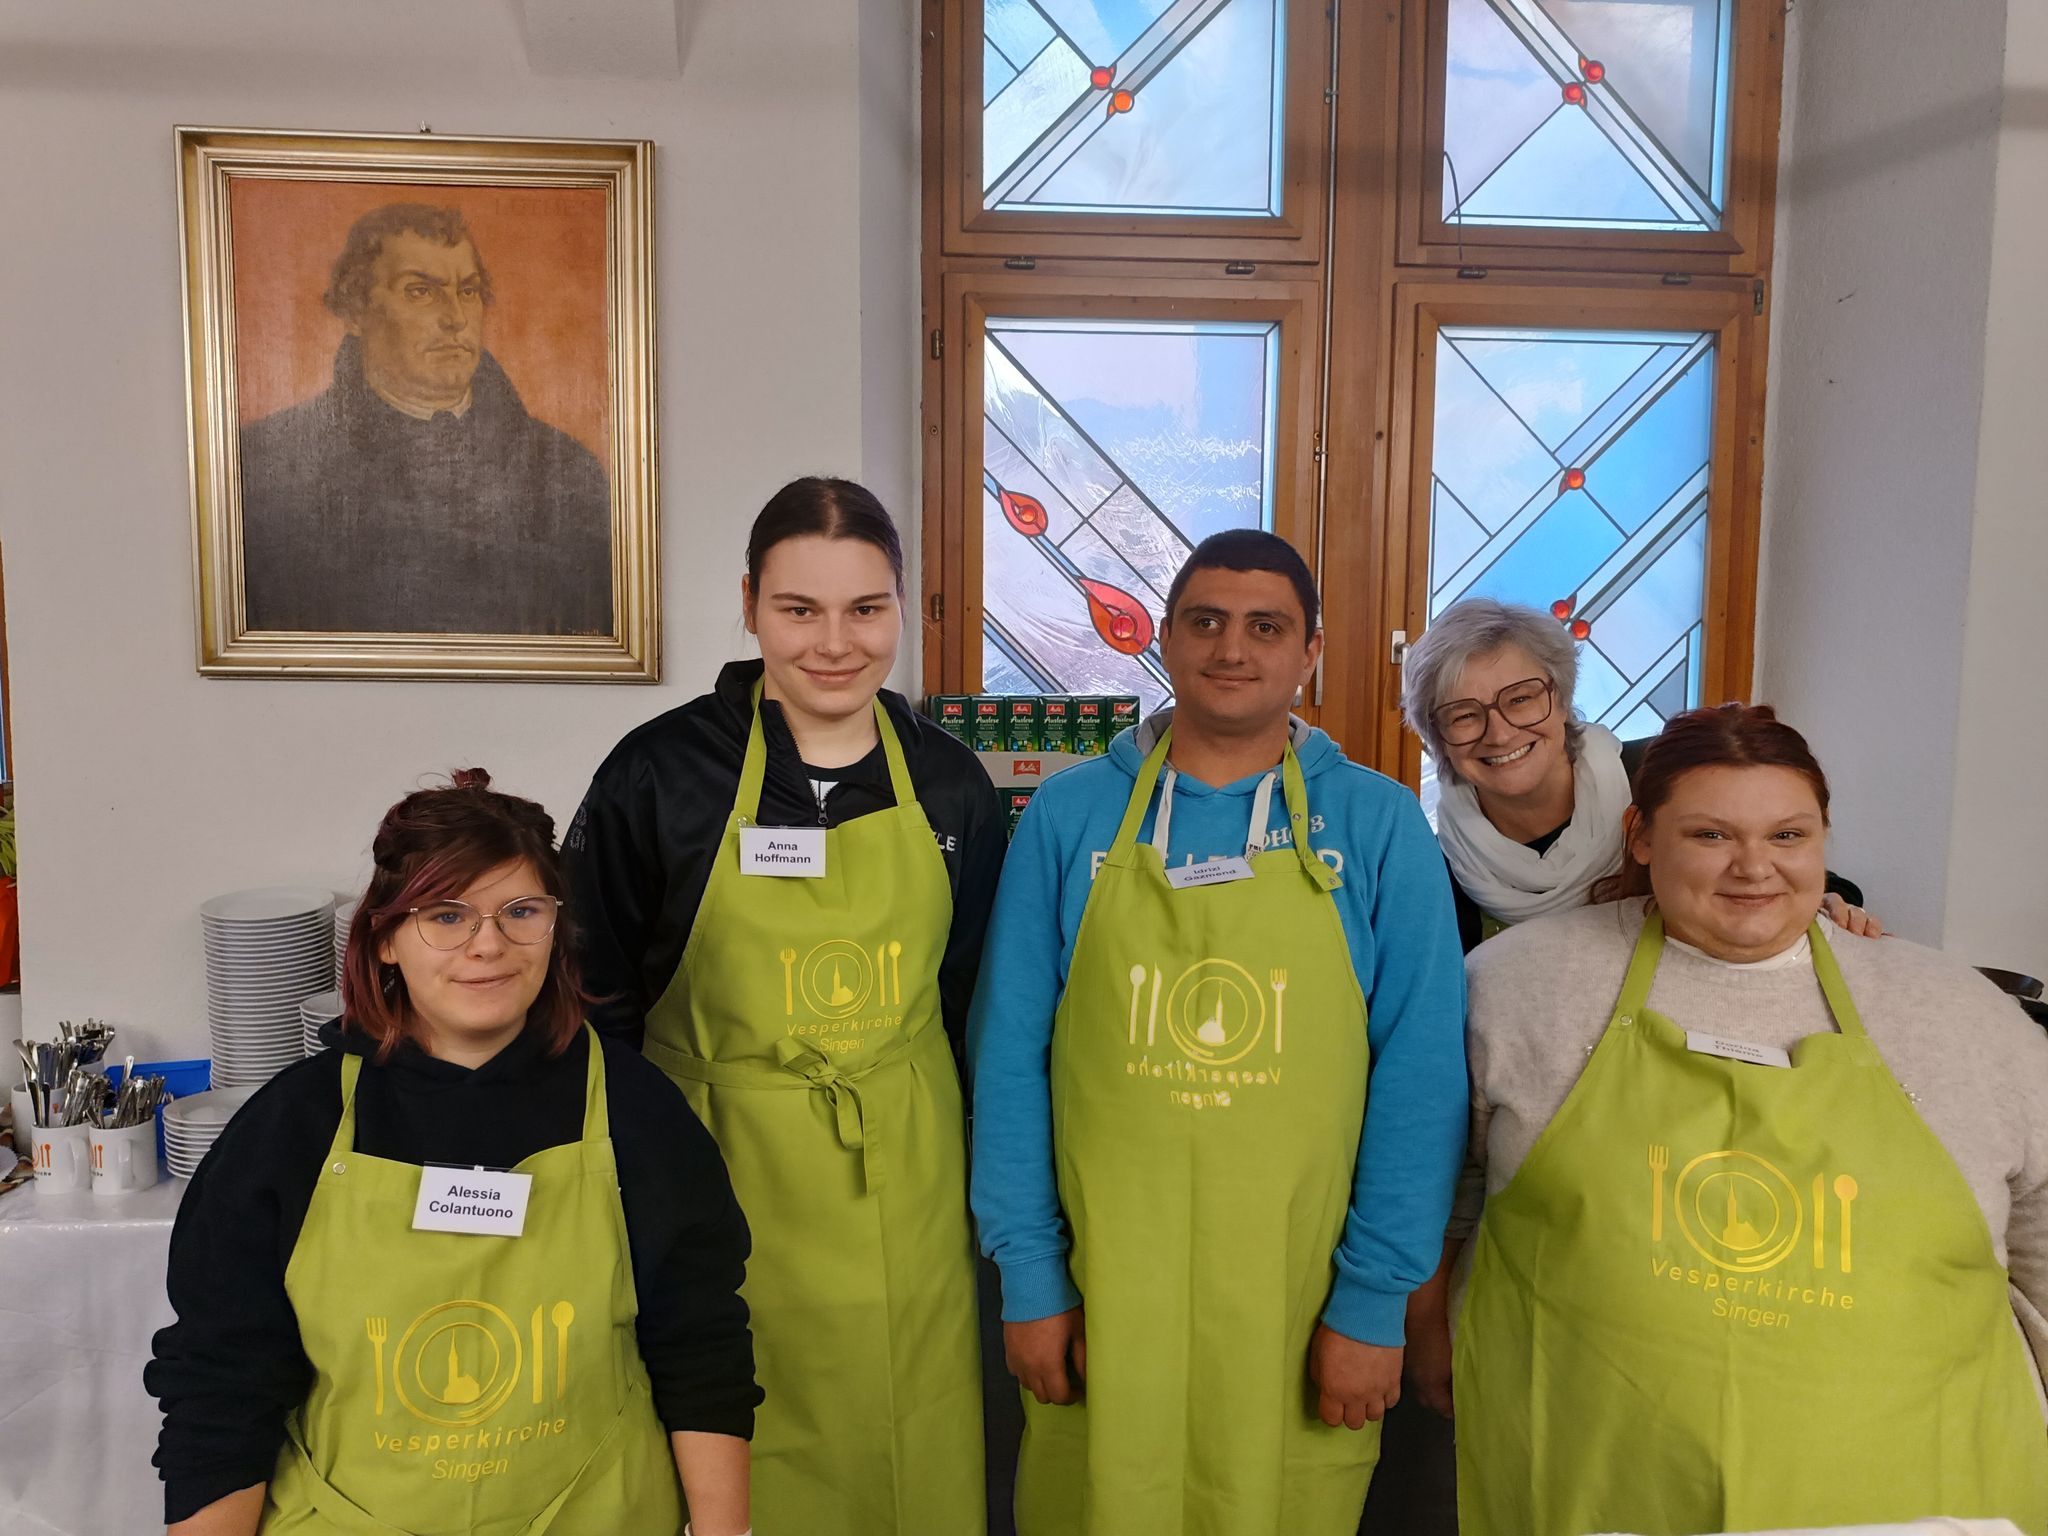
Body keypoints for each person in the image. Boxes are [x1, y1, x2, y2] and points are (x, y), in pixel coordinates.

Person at [969, 529, 1468, 1536]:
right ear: (1164, 637)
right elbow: (1009, 1059)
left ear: (1310, 652)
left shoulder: (1375, 825)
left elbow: (1419, 1081)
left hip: (1302, 1306)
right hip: (1102, 1296)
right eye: (1205, 621)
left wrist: (1373, 1302)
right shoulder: (1069, 816)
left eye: (1265, 627)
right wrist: (1029, 1279)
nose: (1231, 648)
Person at [1443, 704, 2048, 1533]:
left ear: (1824, 838)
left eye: (1788, 836)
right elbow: (1446, 1198)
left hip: (1923, 1492)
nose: (1754, 868)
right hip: (1602, 1480)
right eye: (1712, 836)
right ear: (1641, 836)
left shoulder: (1960, 1013)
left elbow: (2039, 1237)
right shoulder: (1517, 988)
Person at [563, 477, 1005, 1535]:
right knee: (727, 1436)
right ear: (750, 604)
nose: (834, 644)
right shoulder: (660, 774)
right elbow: (593, 995)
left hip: (902, 1181)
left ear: (902, 608)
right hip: (713, 1169)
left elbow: (971, 1002)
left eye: (866, 609)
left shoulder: (951, 785)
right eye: (799, 609)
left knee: (902, 1445)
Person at [147, 771, 757, 1536]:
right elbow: (223, 1386)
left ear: (557, 928)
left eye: (521, 911)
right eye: (446, 915)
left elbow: (700, 1346)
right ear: (385, 939)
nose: (488, 944)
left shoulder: (637, 1113)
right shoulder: (291, 1129)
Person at [1399, 598, 1880, 952]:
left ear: (1561, 699)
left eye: (1521, 698)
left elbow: (1778, 869)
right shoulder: (1428, 864)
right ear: (1435, 737)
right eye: (1464, 715)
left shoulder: (1664, 777)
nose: (1500, 733)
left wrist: (1833, 903)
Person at [239, 202, 612, 636]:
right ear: (355, 311)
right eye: (420, 291)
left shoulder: (566, 470)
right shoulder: (265, 464)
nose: (455, 318)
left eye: (468, 291)